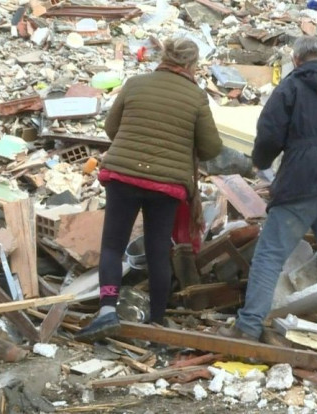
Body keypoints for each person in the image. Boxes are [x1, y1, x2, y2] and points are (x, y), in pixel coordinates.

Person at [219, 36, 317, 341]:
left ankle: (249, 325)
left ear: (297, 59)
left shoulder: (291, 86)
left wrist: (261, 162)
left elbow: (268, 134)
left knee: (270, 254)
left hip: (301, 183)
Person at [76, 37, 222, 342]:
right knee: (157, 250)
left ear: (164, 57)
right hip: (166, 185)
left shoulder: (135, 83)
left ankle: (106, 312)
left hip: (122, 176)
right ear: (192, 65)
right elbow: (211, 148)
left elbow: (111, 128)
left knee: (113, 247)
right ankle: (155, 323)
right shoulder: (196, 97)